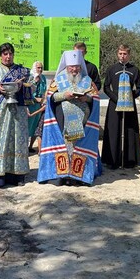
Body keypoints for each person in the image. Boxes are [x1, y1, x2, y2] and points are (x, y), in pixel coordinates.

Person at [38, 50, 102, 186]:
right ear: (66, 67)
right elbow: (50, 97)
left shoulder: (87, 80)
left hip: (82, 119)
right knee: (65, 146)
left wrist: (87, 98)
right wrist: (64, 96)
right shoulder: (58, 79)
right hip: (62, 119)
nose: (74, 69)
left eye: (77, 66)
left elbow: (95, 98)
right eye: (71, 67)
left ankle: (78, 176)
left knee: (78, 146)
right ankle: (62, 175)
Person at [0, 43, 32, 188]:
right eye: (5, 54)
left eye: (10, 54)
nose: (8, 56)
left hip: (18, 112)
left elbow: (32, 87)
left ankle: (18, 175)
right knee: (0, 141)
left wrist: (23, 86)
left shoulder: (22, 71)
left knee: (18, 140)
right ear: (0, 55)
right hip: (1, 113)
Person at [101, 45, 140, 169]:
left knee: (130, 130)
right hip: (115, 103)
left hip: (129, 104)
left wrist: (131, 96)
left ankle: (130, 160)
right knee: (114, 130)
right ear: (117, 54)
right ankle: (112, 160)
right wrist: (116, 98)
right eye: (120, 53)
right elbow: (106, 87)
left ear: (129, 55)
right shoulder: (112, 69)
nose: (122, 56)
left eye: (125, 54)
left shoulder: (135, 70)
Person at [26, 61, 47, 152]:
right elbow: (27, 91)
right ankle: (24, 146)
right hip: (31, 105)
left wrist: (43, 99)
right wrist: (35, 99)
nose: (40, 69)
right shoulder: (30, 78)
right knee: (28, 126)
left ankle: (30, 146)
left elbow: (45, 89)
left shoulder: (43, 78)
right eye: (38, 68)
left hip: (39, 105)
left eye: (41, 68)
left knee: (36, 126)